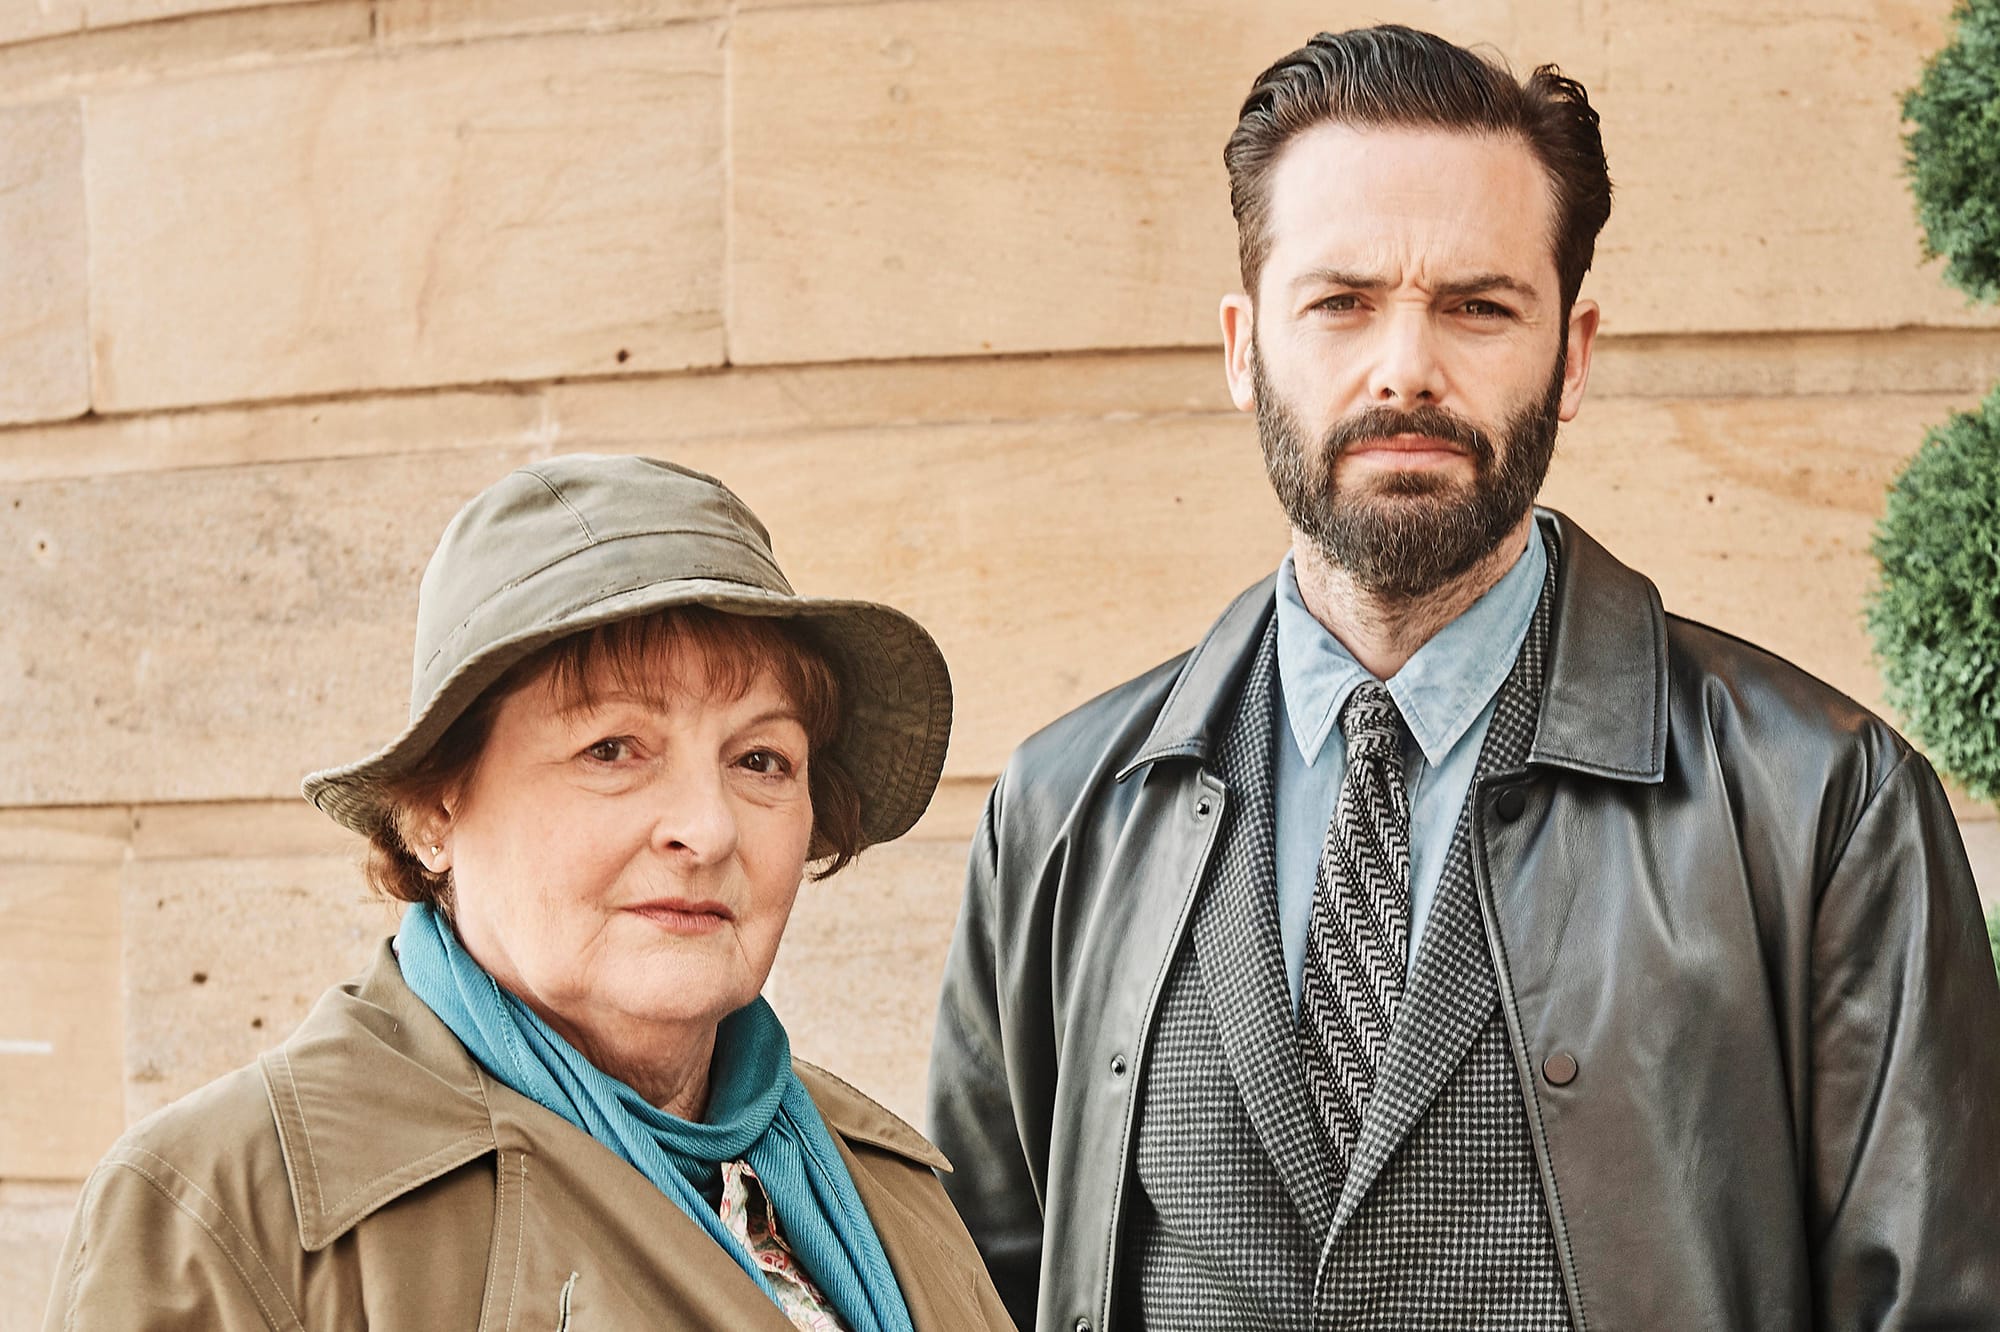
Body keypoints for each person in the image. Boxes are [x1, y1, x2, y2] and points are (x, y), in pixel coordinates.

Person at [927, 24, 2000, 1332]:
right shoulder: (1060, 812)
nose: (1404, 368)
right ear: (1242, 347)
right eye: (1341, 302)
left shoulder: (1821, 803)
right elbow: (966, 1290)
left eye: (1479, 307)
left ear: (1575, 351)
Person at [48, 454, 1016, 1331]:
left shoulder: (889, 1188)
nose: (708, 827)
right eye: (612, 750)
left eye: (760, 759)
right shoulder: (229, 1215)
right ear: (434, 809)